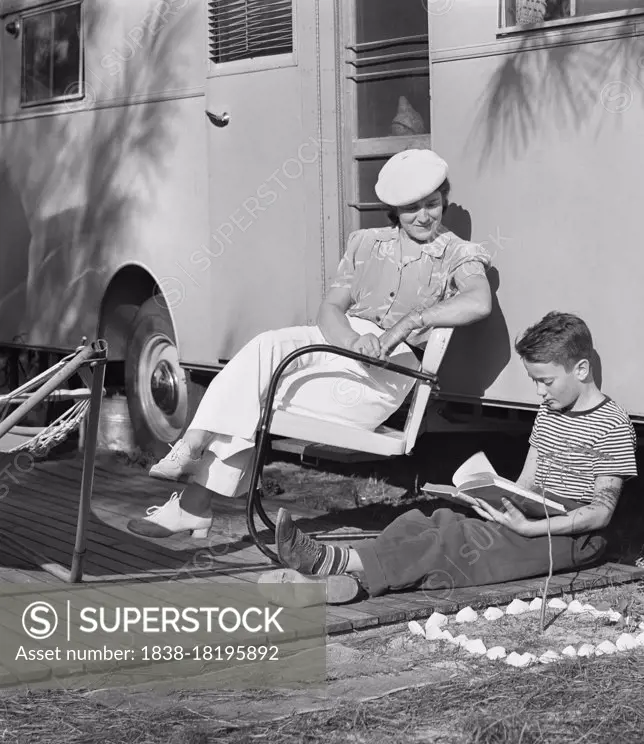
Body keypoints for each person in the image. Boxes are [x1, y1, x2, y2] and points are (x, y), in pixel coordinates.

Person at [127, 149, 493, 539]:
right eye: (412, 208)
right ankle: (193, 452)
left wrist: (409, 322)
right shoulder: (365, 244)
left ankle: (193, 499)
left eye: (432, 205)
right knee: (266, 347)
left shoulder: (459, 253)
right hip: (337, 340)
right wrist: (352, 339)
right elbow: (330, 309)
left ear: (444, 201)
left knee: (254, 394)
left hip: (389, 369)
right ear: (394, 212)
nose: (424, 217)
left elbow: (478, 301)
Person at [258, 311, 638, 607]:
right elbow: (527, 482)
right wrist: (492, 498)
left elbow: (600, 514)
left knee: (455, 541)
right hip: (534, 512)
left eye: (546, 381)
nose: (539, 392)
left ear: (581, 369)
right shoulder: (549, 413)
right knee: (430, 520)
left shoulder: (612, 425)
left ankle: (329, 561)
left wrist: (526, 529)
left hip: (571, 536)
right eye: (534, 381)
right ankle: (347, 582)